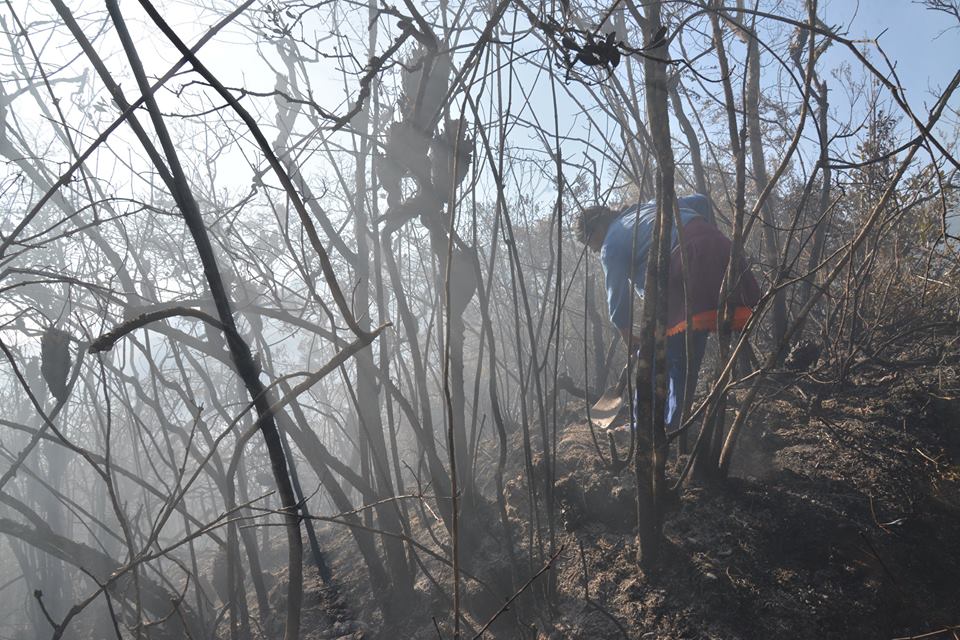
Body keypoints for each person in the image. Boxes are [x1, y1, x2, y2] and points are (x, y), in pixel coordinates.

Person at [575, 194, 760, 433]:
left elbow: (617, 295)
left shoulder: (611, 243)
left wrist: (625, 332)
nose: (594, 250)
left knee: (652, 355)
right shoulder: (650, 206)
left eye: (591, 244)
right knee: (686, 348)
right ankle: (674, 424)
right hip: (721, 250)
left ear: (597, 228)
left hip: (684, 263)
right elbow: (701, 201)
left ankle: (645, 427)